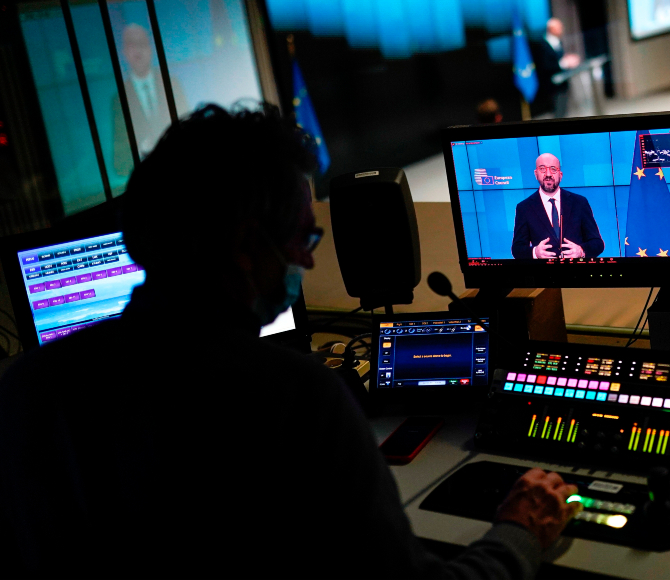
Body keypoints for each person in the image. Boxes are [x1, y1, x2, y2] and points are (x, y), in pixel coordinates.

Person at [0, 104, 580, 578]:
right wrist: (519, 532)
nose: (307, 257)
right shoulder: (298, 399)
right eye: (303, 235)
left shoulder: (27, 388)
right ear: (249, 246)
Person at [111, 23, 188, 178]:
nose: (138, 50)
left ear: (151, 49)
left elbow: (190, 133)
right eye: (132, 44)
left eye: (142, 44)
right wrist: (141, 150)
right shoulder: (119, 101)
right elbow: (119, 164)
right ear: (124, 52)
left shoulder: (172, 84)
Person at [511, 153, 604, 259]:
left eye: (553, 169)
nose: (548, 174)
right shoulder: (524, 208)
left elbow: (598, 243)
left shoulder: (580, 203)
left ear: (561, 175)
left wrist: (581, 251)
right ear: (535, 174)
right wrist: (535, 253)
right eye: (542, 169)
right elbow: (517, 249)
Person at [529, 18, 581, 118]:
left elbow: (558, 59)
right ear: (551, 29)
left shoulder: (558, 42)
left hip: (562, 84)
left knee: (563, 111)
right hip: (552, 87)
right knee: (558, 113)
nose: (562, 29)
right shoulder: (542, 45)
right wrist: (565, 63)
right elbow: (545, 66)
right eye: (559, 27)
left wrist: (568, 60)